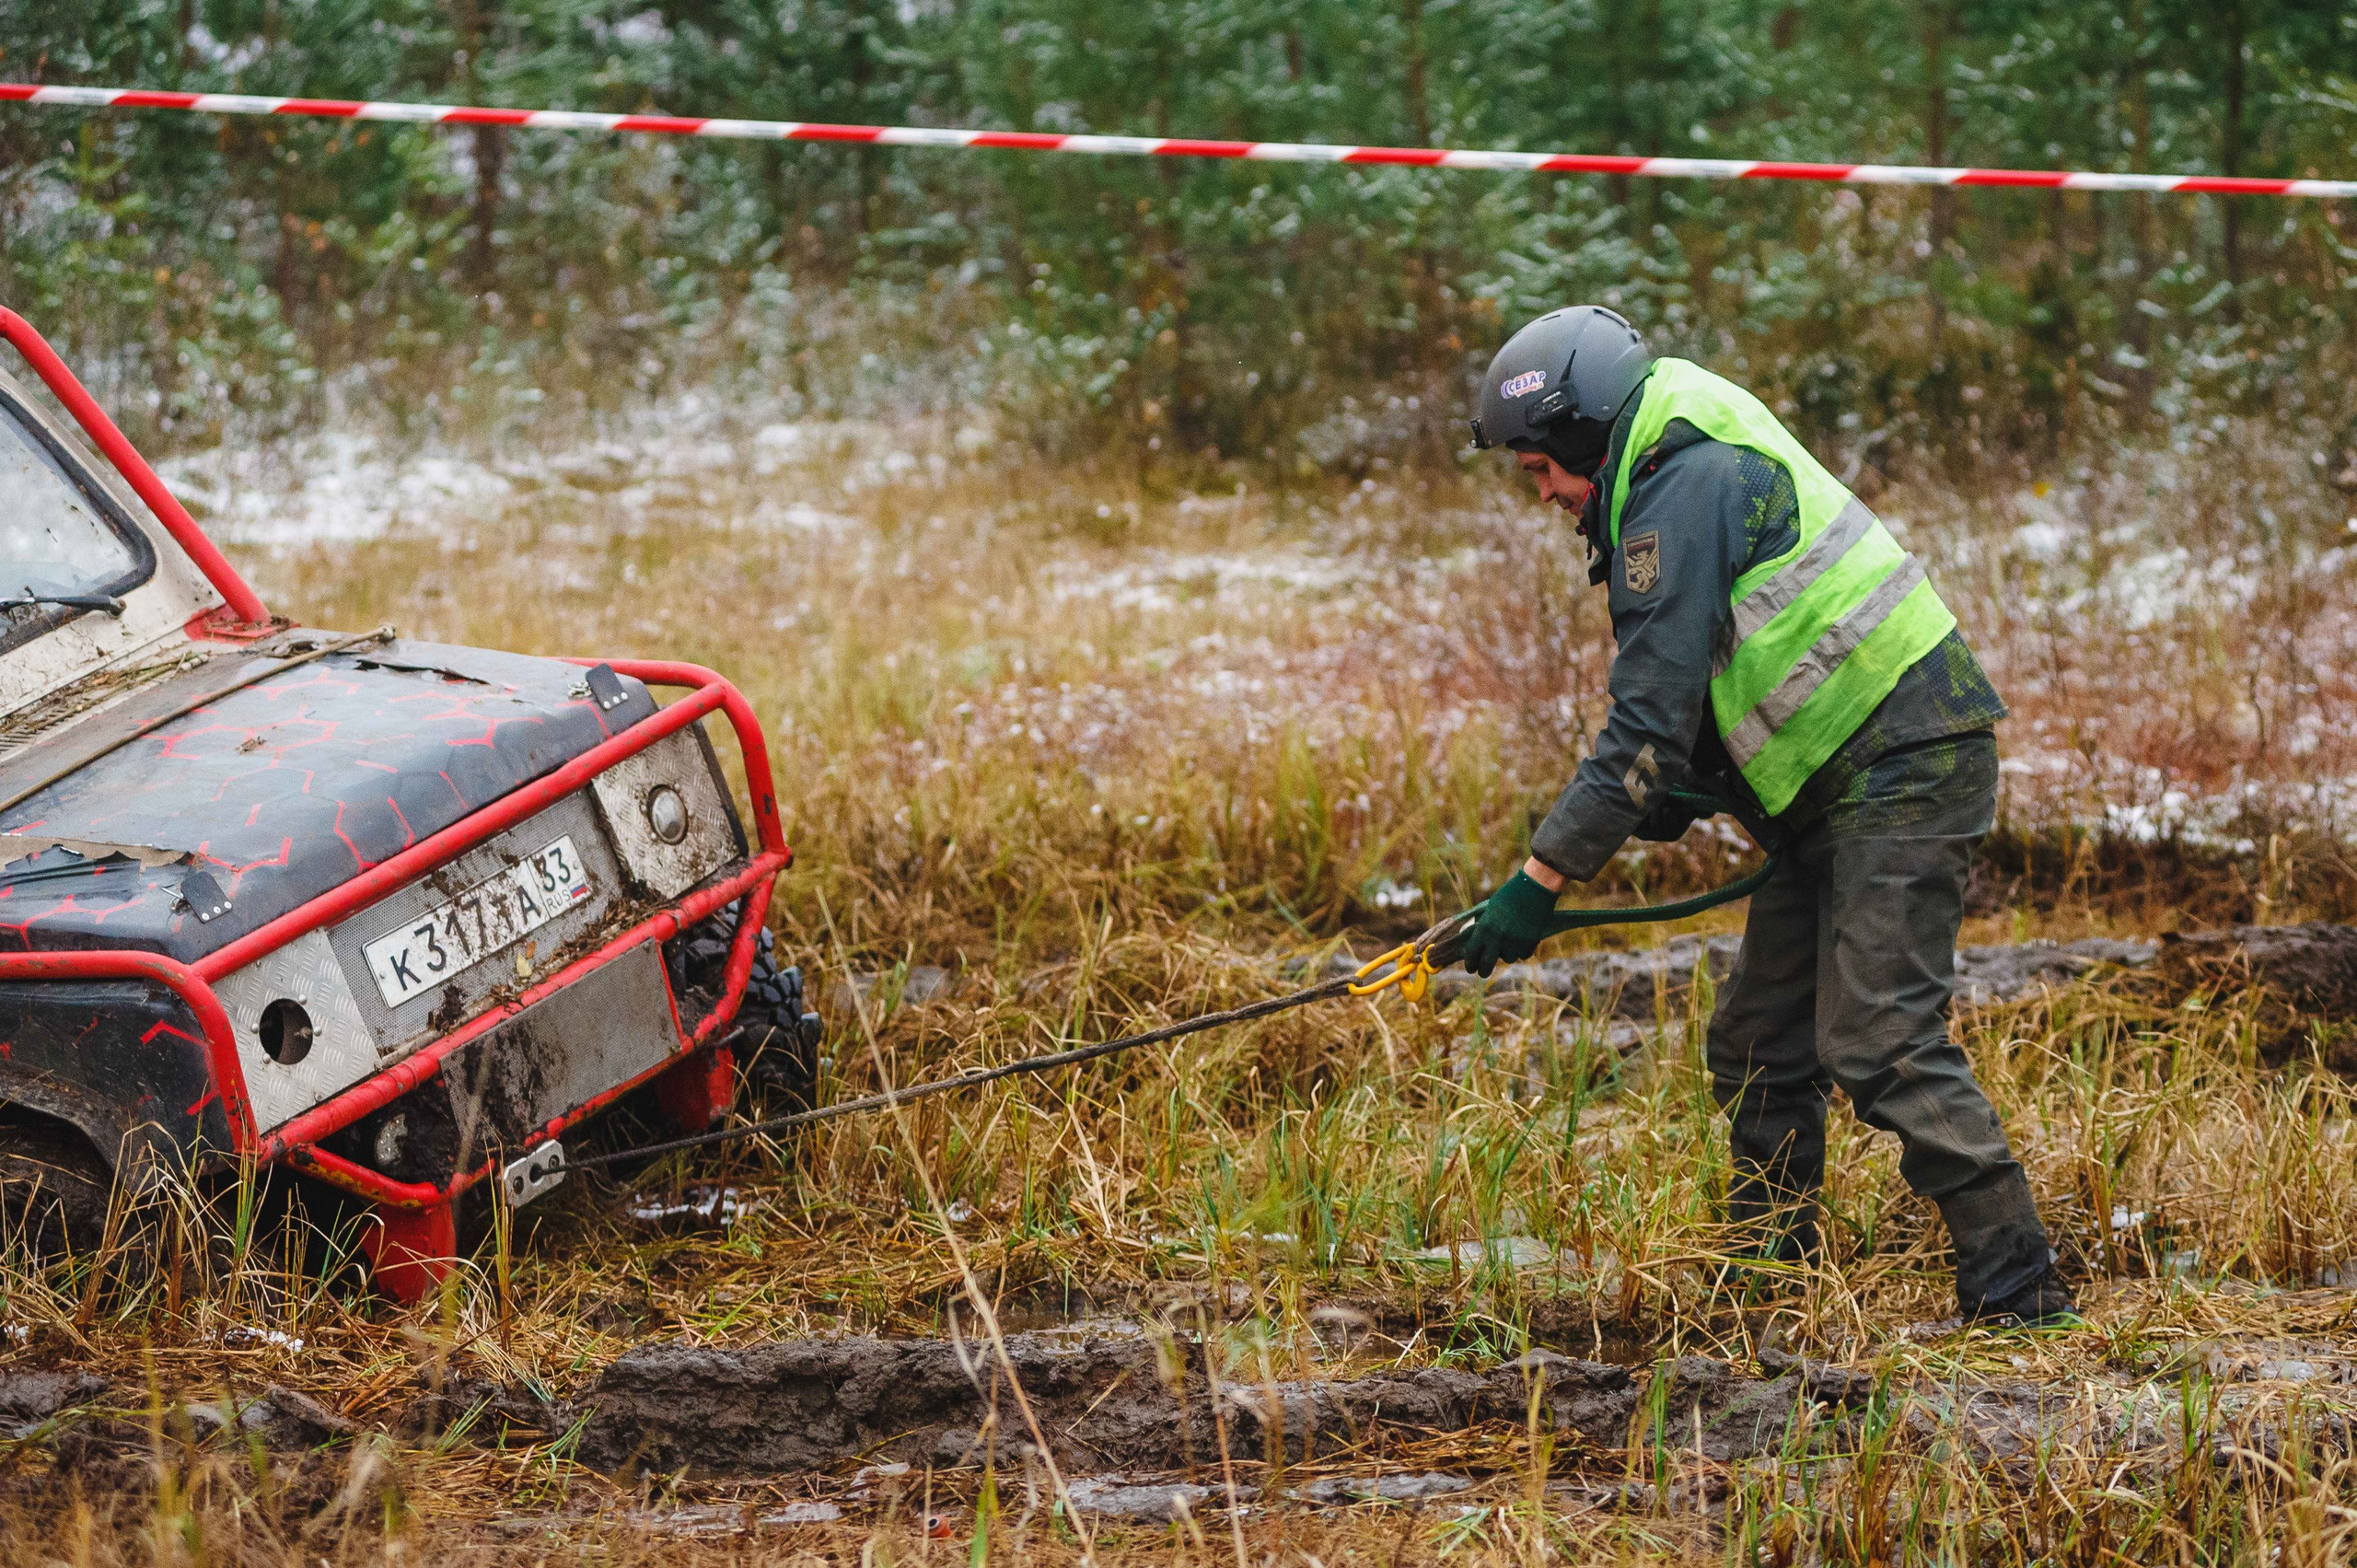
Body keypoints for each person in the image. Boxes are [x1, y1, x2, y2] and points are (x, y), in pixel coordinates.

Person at [1461, 305, 2073, 1327]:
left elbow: (1644, 720)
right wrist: (1686, 780)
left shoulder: (1678, 480)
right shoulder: (1671, 448)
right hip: (1828, 783)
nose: (1552, 498)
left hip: (1901, 764)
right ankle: (1768, 1280)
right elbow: (1714, 677)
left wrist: (1538, 884)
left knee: (1879, 1040)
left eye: (1540, 471)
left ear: (1579, 433)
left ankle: (2021, 1290)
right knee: (1758, 1043)